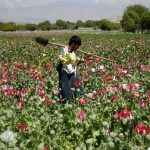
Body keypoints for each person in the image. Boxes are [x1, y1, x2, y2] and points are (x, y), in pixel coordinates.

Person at [56, 35, 84, 103]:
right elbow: (58, 66)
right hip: (65, 77)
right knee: (67, 95)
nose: (78, 48)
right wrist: (65, 60)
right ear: (73, 44)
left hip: (73, 77)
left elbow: (74, 65)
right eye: (77, 46)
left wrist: (80, 61)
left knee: (76, 93)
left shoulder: (72, 52)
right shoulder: (63, 51)